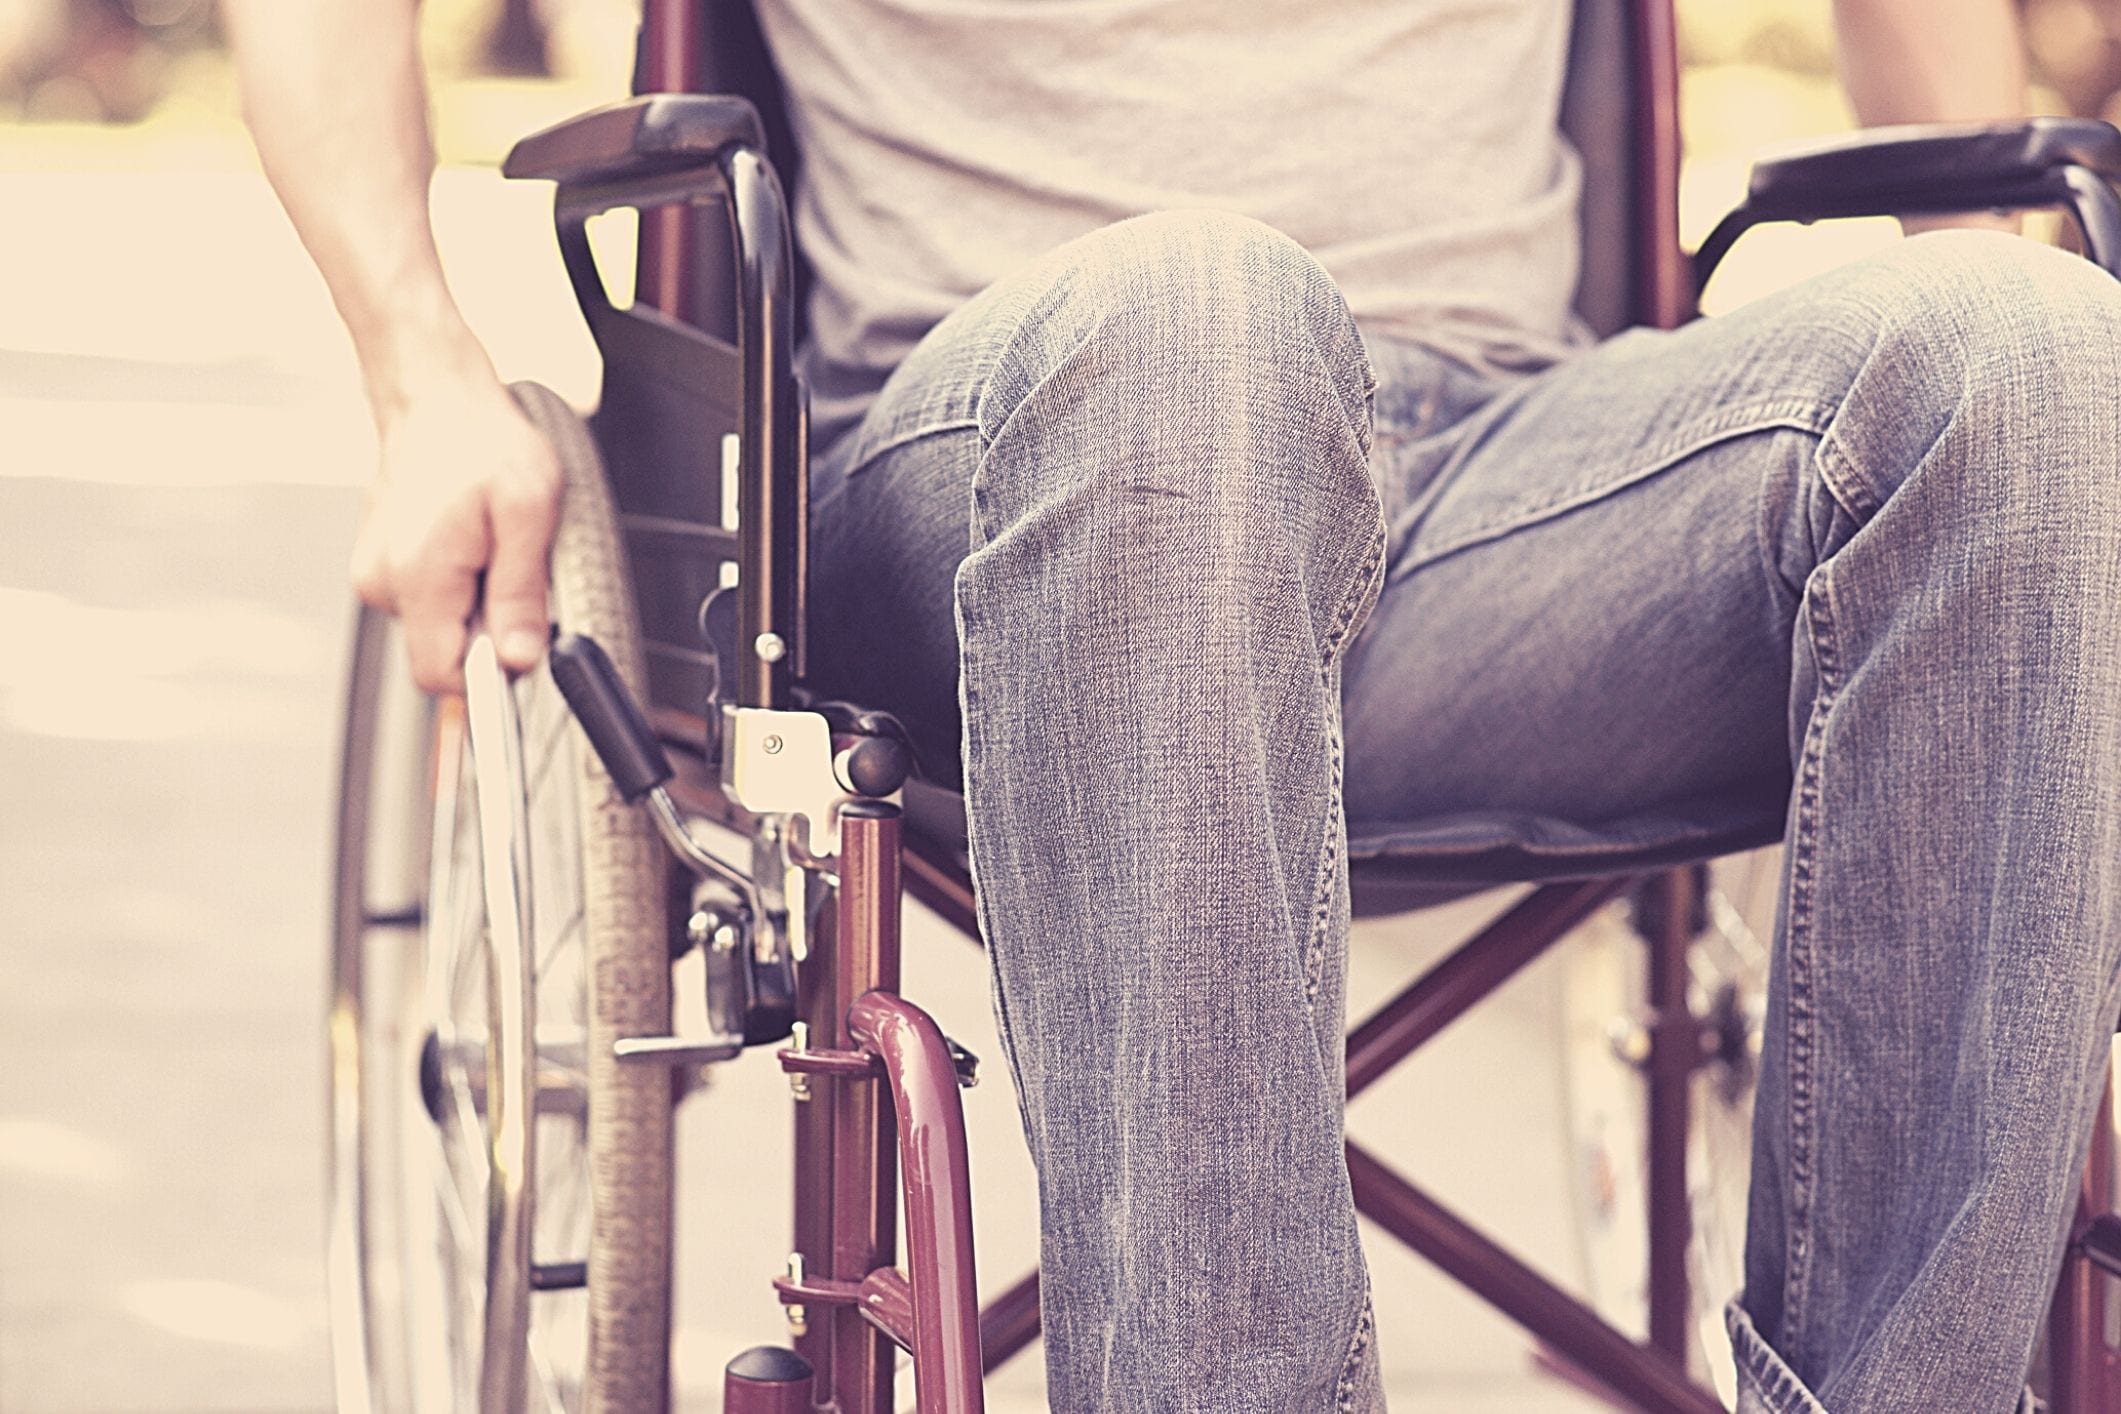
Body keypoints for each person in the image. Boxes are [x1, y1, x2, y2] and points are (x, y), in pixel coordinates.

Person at [225, 0, 2121, 1408]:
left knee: (2037, 356)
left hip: (1499, 499)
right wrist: (419, 369)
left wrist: (1978, 414)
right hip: (988, 479)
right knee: (1194, 318)